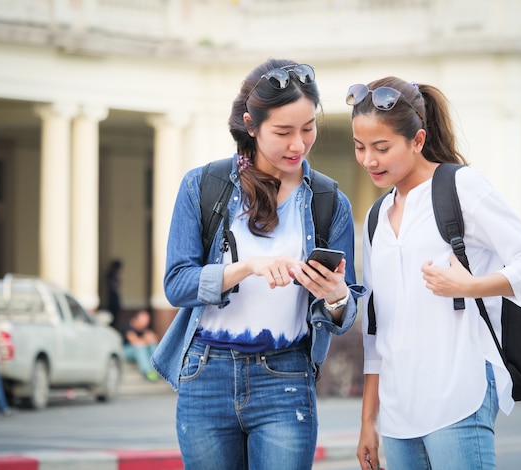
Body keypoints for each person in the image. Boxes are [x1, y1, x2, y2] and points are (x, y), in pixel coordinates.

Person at [151, 58, 365, 470]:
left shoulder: (328, 202)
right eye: (283, 132)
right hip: (205, 373)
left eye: (308, 129)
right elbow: (177, 285)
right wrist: (246, 267)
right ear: (251, 124)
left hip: (284, 377)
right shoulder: (202, 186)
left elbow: (343, 311)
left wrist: (336, 297)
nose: (298, 145)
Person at [346, 77, 521, 470]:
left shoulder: (460, 187)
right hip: (397, 411)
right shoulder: (375, 218)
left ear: (418, 140)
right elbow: (377, 331)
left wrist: (472, 285)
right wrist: (367, 422)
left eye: (382, 147)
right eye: (360, 147)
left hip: (459, 393)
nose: (369, 160)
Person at [123, 310, 158, 382]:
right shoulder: (128, 326)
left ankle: (158, 369)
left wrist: (148, 340)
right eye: (143, 321)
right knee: (140, 347)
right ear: (136, 319)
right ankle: (148, 371)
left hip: (143, 348)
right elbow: (135, 342)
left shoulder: (146, 328)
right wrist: (146, 339)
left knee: (153, 346)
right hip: (126, 351)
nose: (145, 324)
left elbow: (154, 339)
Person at [106, 259, 123, 330]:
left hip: (115, 295)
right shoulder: (111, 275)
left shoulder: (115, 275)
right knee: (112, 316)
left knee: (116, 316)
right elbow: (114, 285)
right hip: (112, 296)